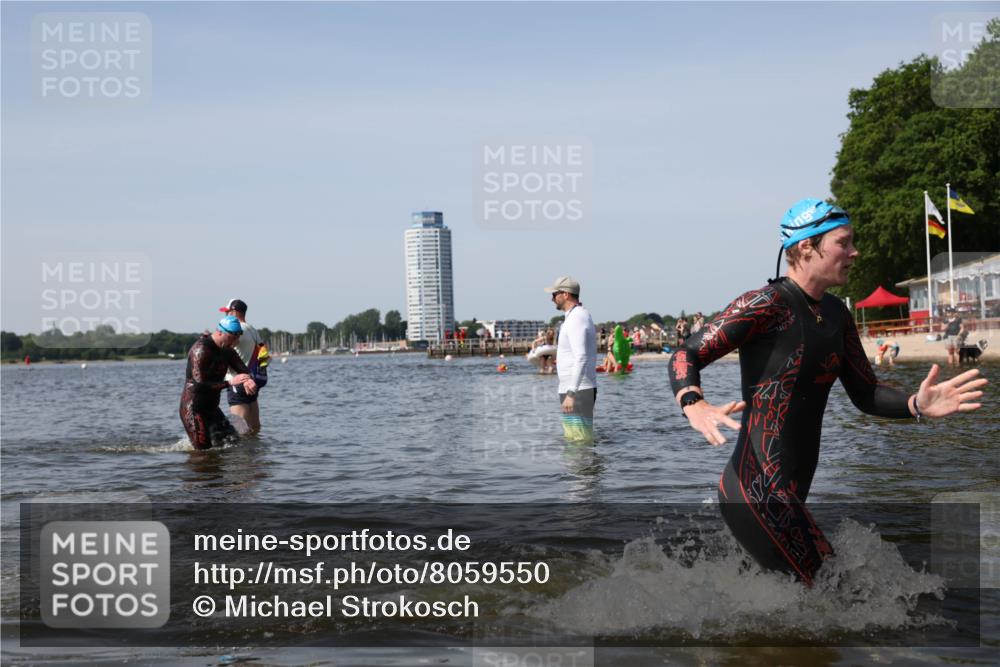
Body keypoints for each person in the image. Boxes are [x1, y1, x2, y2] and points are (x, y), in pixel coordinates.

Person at [668, 198, 987, 586]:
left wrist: (914, 404)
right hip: (756, 493)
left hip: (791, 496)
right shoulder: (764, 304)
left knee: (802, 610)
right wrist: (693, 402)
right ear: (807, 246)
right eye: (844, 242)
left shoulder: (836, 314)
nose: (854, 251)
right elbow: (687, 351)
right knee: (835, 592)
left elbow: (865, 392)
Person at [179, 316, 258, 450]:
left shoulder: (227, 350)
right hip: (194, 410)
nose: (236, 342)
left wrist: (248, 380)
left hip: (212, 409)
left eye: (238, 338)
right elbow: (199, 386)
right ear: (220, 332)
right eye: (232, 337)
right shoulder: (201, 350)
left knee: (234, 443)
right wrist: (230, 383)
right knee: (203, 454)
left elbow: (242, 369)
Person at [545, 277, 597, 441]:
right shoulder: (575, 316)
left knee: (578, 442)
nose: (552, 298)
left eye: (555, 294)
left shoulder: (576, 318)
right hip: (575, 389)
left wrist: (571, 393)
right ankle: (584, 467)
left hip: (578, 390)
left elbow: (581, 357)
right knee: (576, 440)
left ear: (566, 294)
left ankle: (583, 467)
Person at [220, 299, 265, 434]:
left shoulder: (236, 330)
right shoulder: (252, 329)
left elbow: (224, 349)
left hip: (237, 381)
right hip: (252, 381)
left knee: (239, 430)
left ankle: (239, 455)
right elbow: (264, 354)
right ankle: (254, 453)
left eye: (227, 312)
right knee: (254, 427)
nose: (226, 315)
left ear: (234, 312)